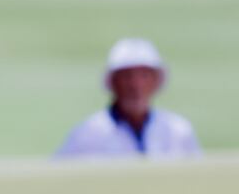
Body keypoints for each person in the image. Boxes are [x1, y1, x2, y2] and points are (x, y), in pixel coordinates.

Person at [57, 38, 200, 159]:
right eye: (127, 76)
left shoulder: (178, 131)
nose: (135, 85)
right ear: (113, 82)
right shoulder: (87, 135)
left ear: (156, 81)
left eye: (144, 76)